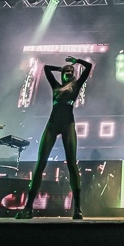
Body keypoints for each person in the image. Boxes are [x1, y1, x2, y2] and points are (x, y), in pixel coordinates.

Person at [15, 55, 93, 220]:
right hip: (52, 125)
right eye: (67, 72)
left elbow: (88, 68)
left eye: (71, 72)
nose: (69, 73)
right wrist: (61, 68)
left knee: (72, 164)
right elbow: (46, 69)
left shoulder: (77, 85)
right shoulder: (55, 86)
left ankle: (77, 209)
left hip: (68, 125)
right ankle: (28, 208)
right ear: (63, 74)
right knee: (40, 164)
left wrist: (76, 62)